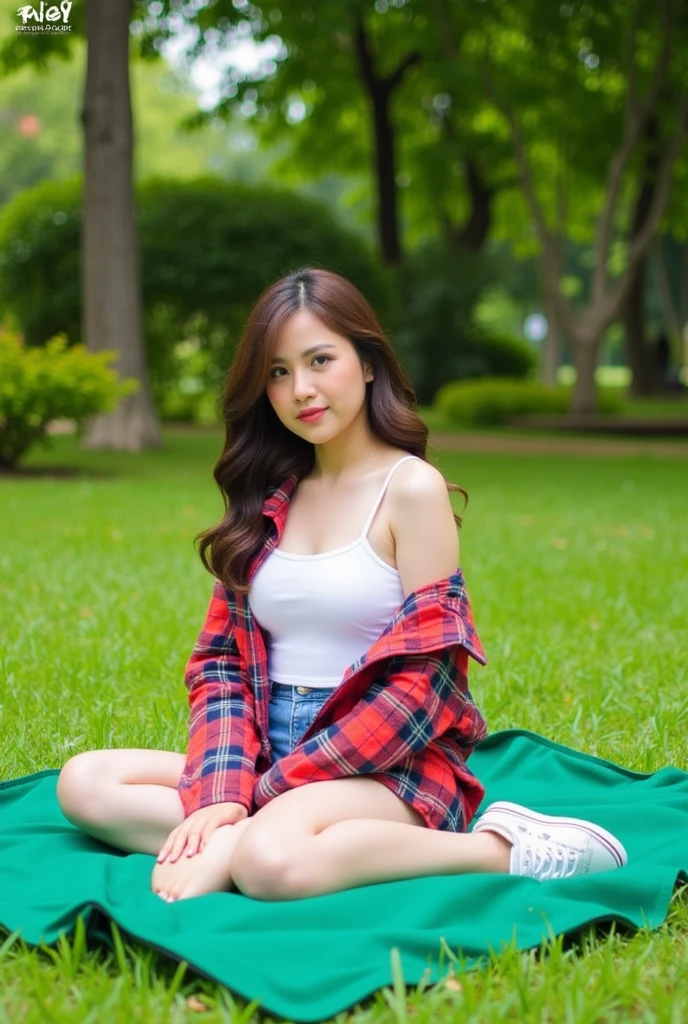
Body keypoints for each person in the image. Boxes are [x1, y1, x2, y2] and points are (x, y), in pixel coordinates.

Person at [56, 268, 627, 903]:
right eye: (277, 372)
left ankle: (500, 850)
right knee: (85, 782)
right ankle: (242, 833)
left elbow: (426, 683)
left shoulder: (409, 490)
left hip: (386, 763)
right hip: (270, 752)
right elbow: (220, 665)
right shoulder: (270, 494)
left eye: (319, 360)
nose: (301, 389)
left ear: (369, 364)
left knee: (272, 864)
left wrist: (260, 799)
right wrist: (223, 795)